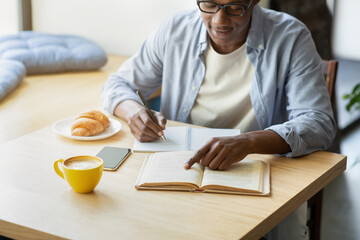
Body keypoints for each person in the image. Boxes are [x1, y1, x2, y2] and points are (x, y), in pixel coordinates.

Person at [101, 0, 336, 239]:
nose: (219, 21)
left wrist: (250, 142)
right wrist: (134, 112)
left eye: (235, 7)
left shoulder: (290, 36)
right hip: (180, 177)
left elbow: (318, 122)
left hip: (252, 178)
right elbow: (117, 84)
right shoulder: (175, 30)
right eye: (209, 4)